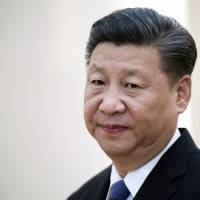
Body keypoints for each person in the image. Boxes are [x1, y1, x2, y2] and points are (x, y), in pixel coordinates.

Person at [67, 7, 200, 200]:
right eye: (98, 82)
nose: (109, 105)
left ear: (180, 94)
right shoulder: (82, 196)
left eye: (131, 85)